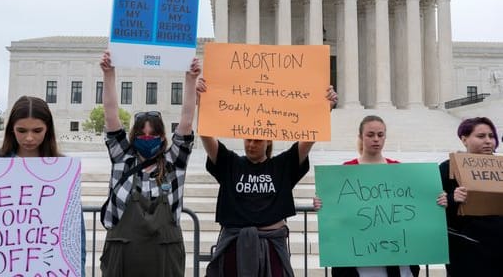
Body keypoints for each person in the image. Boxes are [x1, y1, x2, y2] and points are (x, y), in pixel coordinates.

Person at [197, 76, 338, 277]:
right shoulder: (229, 162)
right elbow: (206, 135)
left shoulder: (282, 165)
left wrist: (325, 109)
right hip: (234, 244)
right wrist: (202, 104)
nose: (251, 144)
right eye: (248, 139)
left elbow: (308, 139)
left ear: (268, 142)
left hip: (272, 245)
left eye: (257, 140)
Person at [99, 50, 200, 277]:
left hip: (164, 258)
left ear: (162, 137)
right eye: (142, 135)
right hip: (123, 257)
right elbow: (111, 115)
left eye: (152, 134)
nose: (147, 138)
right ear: (133, 137)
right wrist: (109, 74)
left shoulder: (174, 162)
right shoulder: (122, 159)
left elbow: (185, 120)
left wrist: (190, 79)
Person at [313, 115, 447, 277]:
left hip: (395, 255)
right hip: (358, 255)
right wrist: (322, 203)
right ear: (361, 137)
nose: (376, 139)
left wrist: (439, 200)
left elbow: (418, 204)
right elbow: (337, 213)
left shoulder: (398, 169)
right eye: (370, 135)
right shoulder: (346, 170)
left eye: (380, 135)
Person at [0, 95, 87, 276]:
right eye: (21, 131)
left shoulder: (64, 170)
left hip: (50, 264)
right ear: (11, 130)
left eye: (37, 130)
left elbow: (75, 231)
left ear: (48, 129)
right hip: (5, 263)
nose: (29, 138)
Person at [439, 117, 503, 276]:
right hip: (466, 250)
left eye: (491, 136)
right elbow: (434, 210)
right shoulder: (448, 168)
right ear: (464, 139)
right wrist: (453, 200)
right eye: (481, 136)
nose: (488, 141)